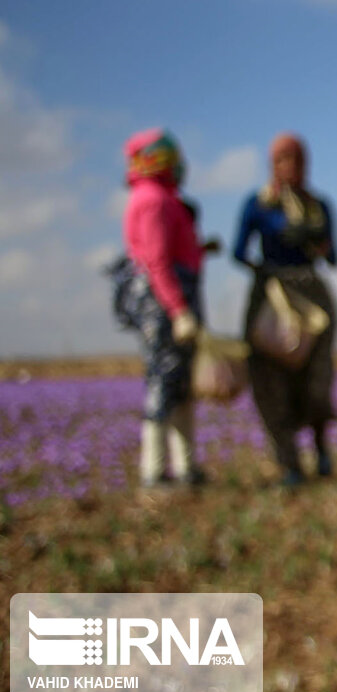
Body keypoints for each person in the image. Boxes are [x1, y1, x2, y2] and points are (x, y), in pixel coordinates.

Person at [233, 133, 337, 487]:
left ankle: (322, 449)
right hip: (272, 298)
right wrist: (264, 270)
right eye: (282, 159)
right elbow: (238, 251)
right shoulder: (258, 204)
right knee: (270, 379)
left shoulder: (319, 206)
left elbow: (334, 257)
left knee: (316, 379)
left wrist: (316, 240)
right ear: (272, 164)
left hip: (312, 297)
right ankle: (289, 461)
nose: (290, 166)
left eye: (296, 159)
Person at [118, 128, 207, 488]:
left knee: (180, 385)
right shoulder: (153, 199)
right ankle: (154, 471)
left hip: (172, 299)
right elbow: (157, 261)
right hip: (165, 304)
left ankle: (185, 468)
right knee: (163, 384)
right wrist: (177, 310)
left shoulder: (163, 198)